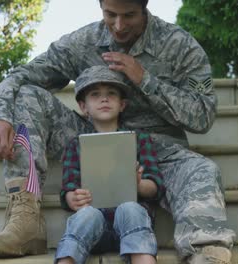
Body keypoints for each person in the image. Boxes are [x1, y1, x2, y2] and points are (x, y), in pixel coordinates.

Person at [0, 0, 236, 263]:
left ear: (145, 7)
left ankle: (205, 251)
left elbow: (203, 115)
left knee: (203, 170)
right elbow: (22, 76)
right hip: (92, 140)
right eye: (110, 14)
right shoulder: (85, 41)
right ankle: (25, 218)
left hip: (159, 149)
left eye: (129, 16)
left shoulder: (180, 46)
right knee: (25, 95)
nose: (118, 26)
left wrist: (145, 80)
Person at [56, 65, 163, 264]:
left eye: (111, 94)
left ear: (122, 104)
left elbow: (155, 188)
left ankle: (144, 260)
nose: (104, 99)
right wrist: (74, 199)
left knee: (130, 207)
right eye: (95, 94)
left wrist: (138, 184)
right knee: (87, 214)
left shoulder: (139, 140)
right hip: (94, 229)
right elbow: (68, 191)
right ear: (83, 106)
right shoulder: (76, 145)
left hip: (133, 226)